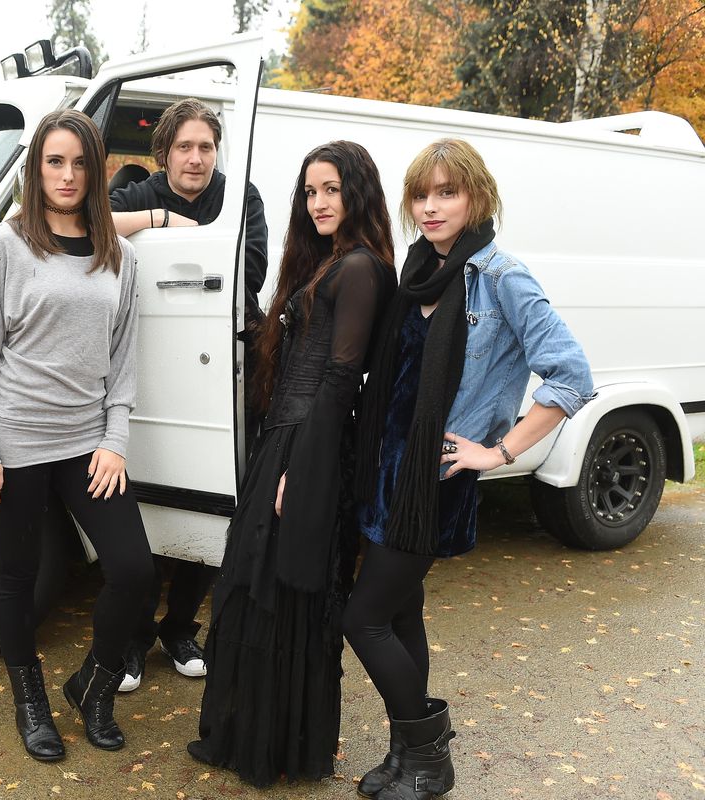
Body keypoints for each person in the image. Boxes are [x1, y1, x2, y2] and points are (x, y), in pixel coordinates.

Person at [345, 138, 594, 799]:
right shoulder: (420, 270)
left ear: (477, 196)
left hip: (437, 478)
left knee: (361, 618)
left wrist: (500, 450)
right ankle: (407, 758)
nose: (431, 206)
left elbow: (571, 375)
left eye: (446, 192)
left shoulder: (501, 276)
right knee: (400, 614)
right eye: (421, 194)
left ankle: (430, 758)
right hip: (388, 471)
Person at [186, 140, 398, 786]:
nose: (319, 202)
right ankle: (243, 735)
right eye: (310, 192)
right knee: (252, 591)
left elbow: (339, 380)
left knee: (285, 597)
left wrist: (296, 474)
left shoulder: (360, 268)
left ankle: (277, 749)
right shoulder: (325, 264)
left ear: (357, 191)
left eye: (331, 189)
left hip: (309, 450)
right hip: (285, 440)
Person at [0, 109, 154, 761]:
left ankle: (93, 686)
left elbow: (124, 355)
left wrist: (115, 437)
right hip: (15, 441)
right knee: (18, 577)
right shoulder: (3, 245)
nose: (68, 175)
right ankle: (31, 703)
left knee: (133, 571)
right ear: (35, 167)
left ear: (95, 171)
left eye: (80, 163)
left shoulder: (117, 255)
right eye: (55, 161)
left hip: (87, 443)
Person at [108, 97, 269, 690]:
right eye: (185, 147)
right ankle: (131, 639)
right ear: (164, 153)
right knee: (150, 510)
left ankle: (179, 629)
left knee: (214, 505)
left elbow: (247, 271)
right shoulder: (143, 194)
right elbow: (89, 224)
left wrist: (175, 256)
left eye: (206, 147)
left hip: (225, 369)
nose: (197, 158)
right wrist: (160, 224)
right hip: (156, 369)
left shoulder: (239, 197)